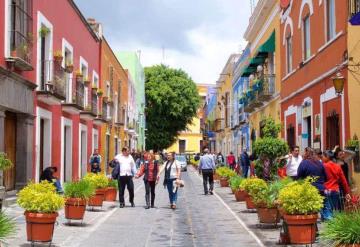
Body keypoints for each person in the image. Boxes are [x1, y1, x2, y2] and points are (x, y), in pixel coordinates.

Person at [297, 147, 330, 220]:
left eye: (304, 152)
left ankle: (311, 224)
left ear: (306, 153)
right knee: (325, 207)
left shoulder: (304, 163)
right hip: (321, 188)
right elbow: (326, 177)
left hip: (309, 189)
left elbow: (299, 177)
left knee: (310, 209)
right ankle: (329, 224)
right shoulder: (320, 163)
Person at [322, 150, 351, 216]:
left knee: (328, 210)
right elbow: (344, 180)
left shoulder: (324, 166)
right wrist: (347, 192)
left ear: (327, 157)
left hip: (327, 189)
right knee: (335, 209)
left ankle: (329, 224)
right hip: (336, 190)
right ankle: (334, 224)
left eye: (323, 156)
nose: (322, 158)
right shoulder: (338, 166)